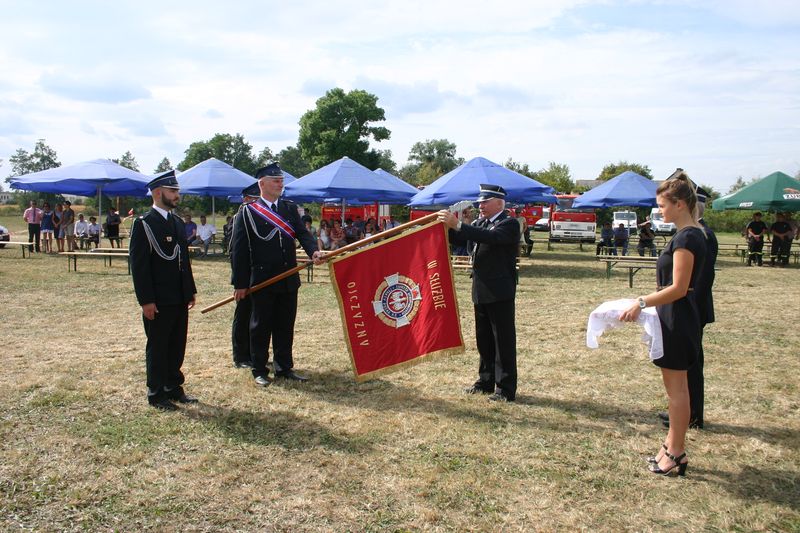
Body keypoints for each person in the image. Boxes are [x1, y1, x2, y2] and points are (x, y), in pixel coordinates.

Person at [620, 172, 707, 477]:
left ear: (680, 204)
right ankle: (670, 445)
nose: (660, 212)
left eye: (662, 206)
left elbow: (679, 287)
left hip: (678, 318)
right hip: (678, 316)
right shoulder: (694, 233)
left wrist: (641, 302)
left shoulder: (687, 237)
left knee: (676, 392)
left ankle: (677, 451)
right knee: (676, 390)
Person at [230, 162, 323, 387]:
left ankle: (284, 367)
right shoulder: (248, 212)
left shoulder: (289, 208)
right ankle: (259, 369)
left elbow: (303, 233)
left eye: (281, 180)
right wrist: (240, 282)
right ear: (262, 183)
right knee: (260, 326)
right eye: (275, 180)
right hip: (263, 279)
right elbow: (239, 250)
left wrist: (314, 251)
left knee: (285, 324)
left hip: (288, 276)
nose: (280, 184)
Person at [437, 184, 521, 402]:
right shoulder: (480, 223)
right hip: (481, 288)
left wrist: (459, 225)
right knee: (484, 339)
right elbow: (462, 240)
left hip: (500, 290)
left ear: (499, 203)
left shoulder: (509, 223)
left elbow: (490, 238)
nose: (480, 206)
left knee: (503, 341)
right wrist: (447, 228)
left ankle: (505, 389)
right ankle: (485, 381)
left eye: (485, 202)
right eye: (479, 202)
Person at [129, 170, 198, 411]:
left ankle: (173, 387)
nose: (177, 195)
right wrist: (146, 300)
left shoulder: (176, 222)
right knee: (158, 346)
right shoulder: (144, 224)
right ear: (158, 193)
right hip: (158, 298)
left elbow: (183, 262)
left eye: (177, 191)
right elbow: (139, 266)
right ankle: (156, 393)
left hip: (178, 296)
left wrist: (189, 290)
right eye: (173, 191)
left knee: (177, 344)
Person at [230, 182, 261, 369]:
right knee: (243, 315)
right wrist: (239, 281)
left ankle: (254, 353)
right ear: (246, 199)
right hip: (245, 274)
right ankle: (241, 356)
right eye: (254, 199)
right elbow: (235, 250)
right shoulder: (240, 216)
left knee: (257, 316)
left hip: (260, 273)